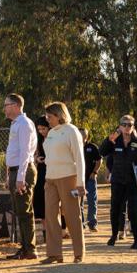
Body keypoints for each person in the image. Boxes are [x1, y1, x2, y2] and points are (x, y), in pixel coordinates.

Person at [40, 102, 85, 263]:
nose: (47, 120)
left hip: (68, 178)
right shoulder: (51, 133)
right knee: (51, 216)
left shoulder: (71, 131)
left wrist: (80, 183)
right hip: (50, 178)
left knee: (73, 216)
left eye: (49, 116)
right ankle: (54, 254)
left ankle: (78, 254)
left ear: (59, 115)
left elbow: (79, 158)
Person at [100, 114, 137, 247]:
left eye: (130, 125)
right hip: (118, 181)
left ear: (133, 127)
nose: (127, 127)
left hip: (133, 182)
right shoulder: (114, 141)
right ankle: (114, 235)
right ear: (119, 126)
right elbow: (102, 152)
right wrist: (109, 140)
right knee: (115, 209)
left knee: (134, 210)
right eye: (124, 124)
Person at [3, 94, 39, 259]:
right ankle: (24, 247)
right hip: (15, 171)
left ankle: (30, 249)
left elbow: (25, 153)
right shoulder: (15, 124)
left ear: (16, 105)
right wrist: (9, 175)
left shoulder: (24, 124)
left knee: (24, 211)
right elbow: (14, 152)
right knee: (19, 211)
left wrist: (20, 178)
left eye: (7, 105)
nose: (4, 108)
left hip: (22, 171)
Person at [32, 115, 51, 226]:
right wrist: (36, 159)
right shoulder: (38, 139)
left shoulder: (54, 138)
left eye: (44, 129)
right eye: (39, 129)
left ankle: (61, 227)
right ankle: (44, 226)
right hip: (41, 170)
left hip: (53, 170)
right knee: (39, 195)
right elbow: (33, 155)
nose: (41, 131)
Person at [82, 135, 102, 232]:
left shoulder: (92, 147)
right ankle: (80, 224)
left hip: (90, 178)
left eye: (83, 135)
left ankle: (92, 223)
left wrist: (94, 172)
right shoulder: (73, 145)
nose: (81, 136)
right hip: (78, 179)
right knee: (78, 202)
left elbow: (99, 160)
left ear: (87, 136)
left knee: (92, 201)